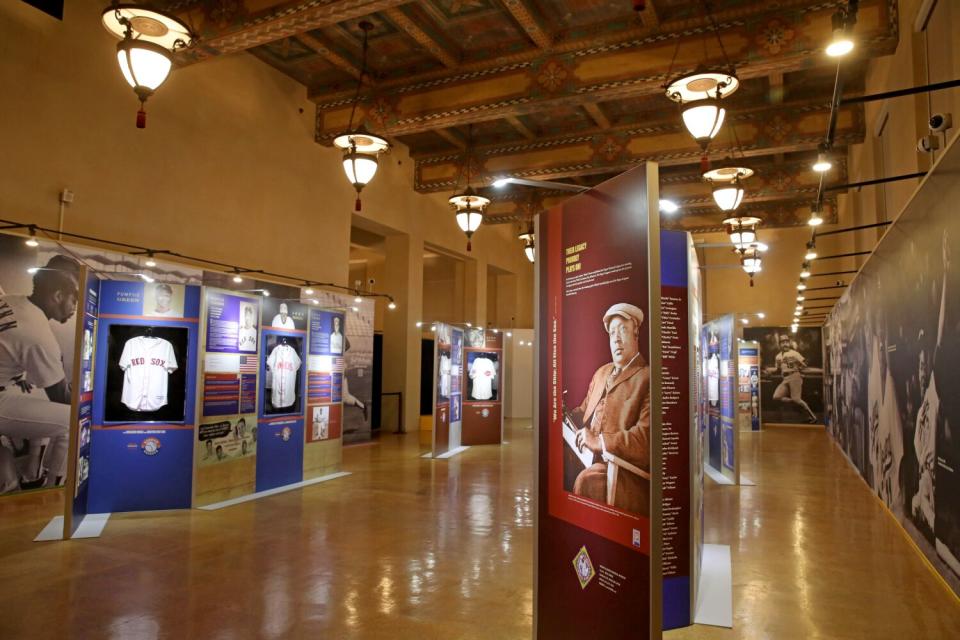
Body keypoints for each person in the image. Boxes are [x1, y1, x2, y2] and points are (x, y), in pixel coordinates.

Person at [0, 255, 80, 491]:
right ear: (57, 296)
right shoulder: (38, 336)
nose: (75, 306)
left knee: (38, 398)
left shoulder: (14, 301)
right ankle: (54, 490)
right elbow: (62, 397)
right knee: (72, 420)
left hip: (7, 385)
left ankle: (32, 472)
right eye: (73, 298)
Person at [568, 303, 651, 515]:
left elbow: (645, 438)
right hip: (584, 455)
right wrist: (563, 414)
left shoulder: (648, 377)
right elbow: (583, 411)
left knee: (586, 481)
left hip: (620, 469)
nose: (616, 338)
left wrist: (600, 441)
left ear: (636, 333)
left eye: (622, 330)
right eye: (612, 332)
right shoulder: (601, 373)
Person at [770, 335, 818, 423]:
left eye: (786, 342)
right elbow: (777, 369)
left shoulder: (794, 353)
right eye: (783, 342)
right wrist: (770, 372)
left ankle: (813, 417)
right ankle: (796, 401)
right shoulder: (778, 356)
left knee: (797, 399)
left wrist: (799, 366)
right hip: (785, 378)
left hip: (794, 376)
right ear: (780, 345)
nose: (785, 344)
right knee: (776, 396)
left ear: (789, 343)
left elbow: (804, 365)